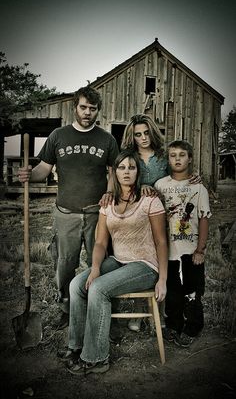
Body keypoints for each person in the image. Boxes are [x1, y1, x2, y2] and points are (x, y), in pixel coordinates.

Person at [18, 85, 119, 329]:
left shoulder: (107, 139)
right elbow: (44, 169)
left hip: (98, 214)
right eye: (83, 107)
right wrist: (29, 174)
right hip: (66, 213)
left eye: (92, 109)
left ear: (98, 112)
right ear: (75, 107)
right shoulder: (58, 136)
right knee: (64, 262)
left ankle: (103, 309)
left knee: (102, 262)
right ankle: (67, 307)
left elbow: (115, 171)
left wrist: (110, 191)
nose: (87, 113)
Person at [60, 149, 168, 375]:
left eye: (132, 167)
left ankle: (96, 359)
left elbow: (160, 241)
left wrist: (163, 280)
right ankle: (76, 346)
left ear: (138, 172)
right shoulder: (107, 203)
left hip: (145, 266)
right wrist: (96, 268)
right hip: (118, 260)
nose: (126, 172)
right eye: (121, 167)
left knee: (98, 289)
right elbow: (100, 243)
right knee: (77, 285)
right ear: (114, 172)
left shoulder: (149, 200)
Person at [120, 114, 199, 332]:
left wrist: (194, 178)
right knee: (139, 260)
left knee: (162, 260)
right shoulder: (128, 157)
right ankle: (139, 311)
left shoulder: (164, 156)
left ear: (152, 132)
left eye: (146, 132)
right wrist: (141, 187)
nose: (143, 138)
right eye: (138, 134)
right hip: (136, 215)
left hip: (163, 214)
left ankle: (161, 313)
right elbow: (121, 181)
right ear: (132, 137)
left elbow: (177, 179)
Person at [154, 140, 211, 347]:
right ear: (168, 159)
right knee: (173, 291)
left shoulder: (198, 188)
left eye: (182, 155)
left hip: (190, 249)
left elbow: (204, 218)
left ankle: (193, 326)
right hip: (167, 250)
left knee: (192, 291)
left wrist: (200, 250)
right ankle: (173, 325)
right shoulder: (160, 185)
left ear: (190, 158)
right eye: (172, 155)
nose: (177, 159)